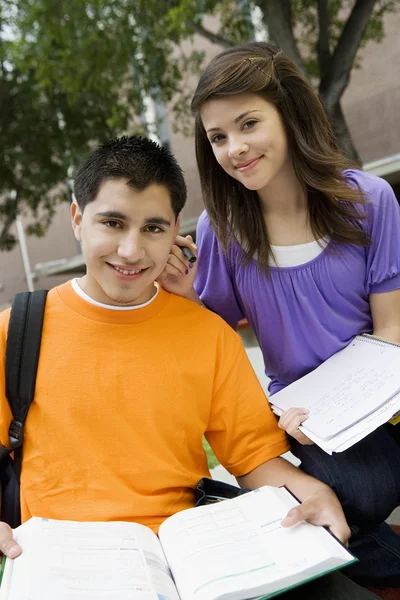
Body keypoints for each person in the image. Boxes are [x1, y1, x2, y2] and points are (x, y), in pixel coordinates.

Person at [0, 136, 378, 599]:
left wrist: (310, 490)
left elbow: (252, 455)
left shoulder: (208, 334)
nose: (131, 251)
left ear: (177, 227)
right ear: (78, 218)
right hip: (64, 564)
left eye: (153, 228)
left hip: (193, 557)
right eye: (112, 223)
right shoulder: (14, 331)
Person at [157, 42, 400, 586]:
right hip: (302, 420)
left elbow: (393, 330)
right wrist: (188, 295)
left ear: (289, 114)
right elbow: (215, 346)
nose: (234, 148)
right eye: (218, 137)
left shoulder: (369, 202)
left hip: (383, 397)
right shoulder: (224, 231)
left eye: (248, 124)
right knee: (359, 488)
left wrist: (349, 407)